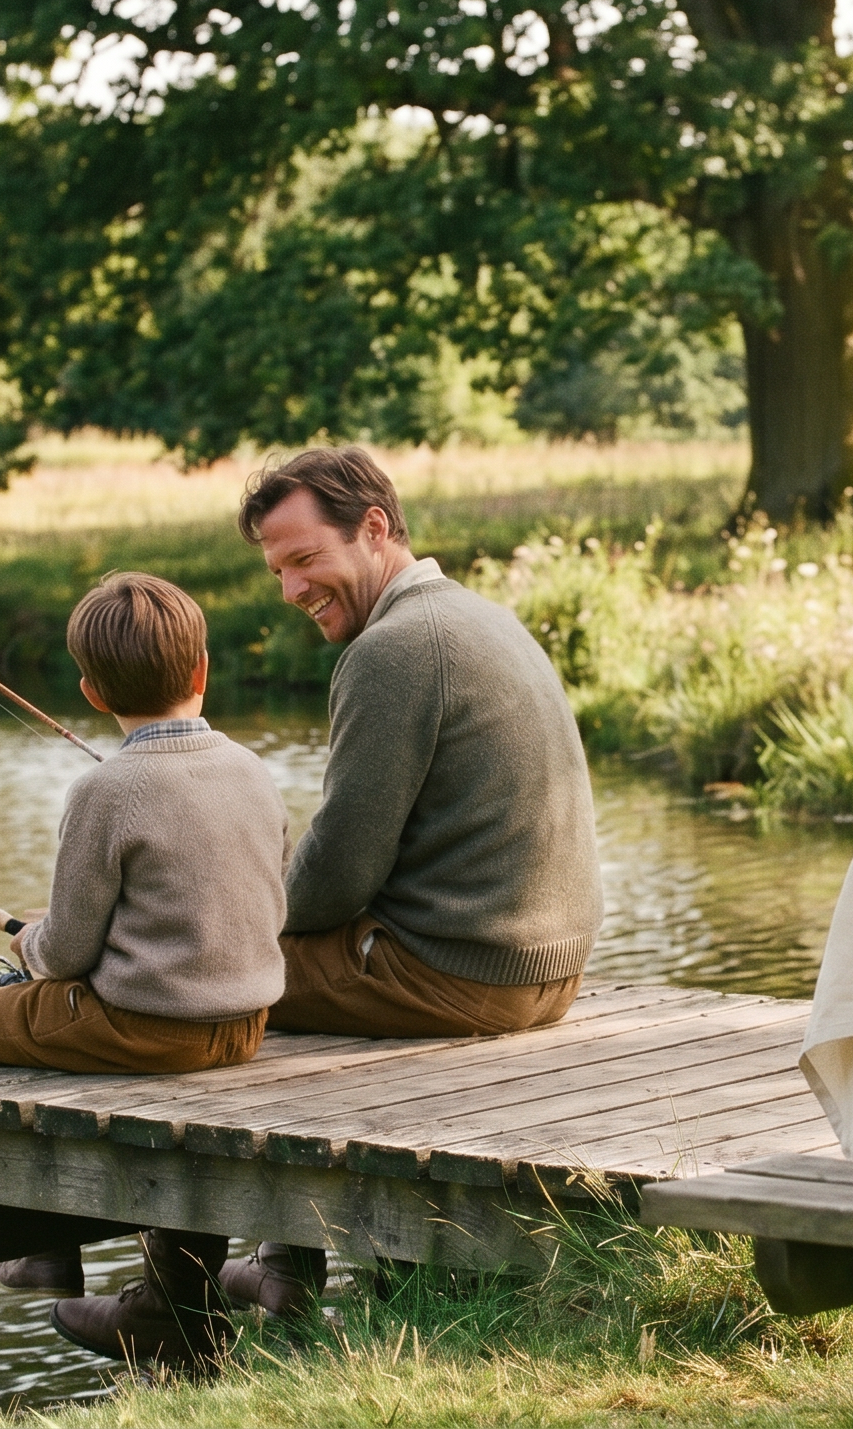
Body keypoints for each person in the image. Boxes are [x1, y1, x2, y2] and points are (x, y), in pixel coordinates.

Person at [210, 444, 604, 1320]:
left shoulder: (393, 651)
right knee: (238, 956)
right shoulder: (477, 616)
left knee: (191, 979)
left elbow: (338, 876)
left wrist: (223, 907)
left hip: (458, 972)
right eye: (277, 570)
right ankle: (282, 1263)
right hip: (545, 971)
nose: (291, 590)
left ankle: (168, 1301)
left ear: (375, 528)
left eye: (305, 559)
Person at [0, 570, 289, 1370]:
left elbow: (64, 953)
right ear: (202, 671)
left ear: (92, 692)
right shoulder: (252, 769)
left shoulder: (106, 789)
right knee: (25, 1025)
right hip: (242, 1027)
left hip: (143, 1027)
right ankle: (53, 1256)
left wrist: (23, 944)